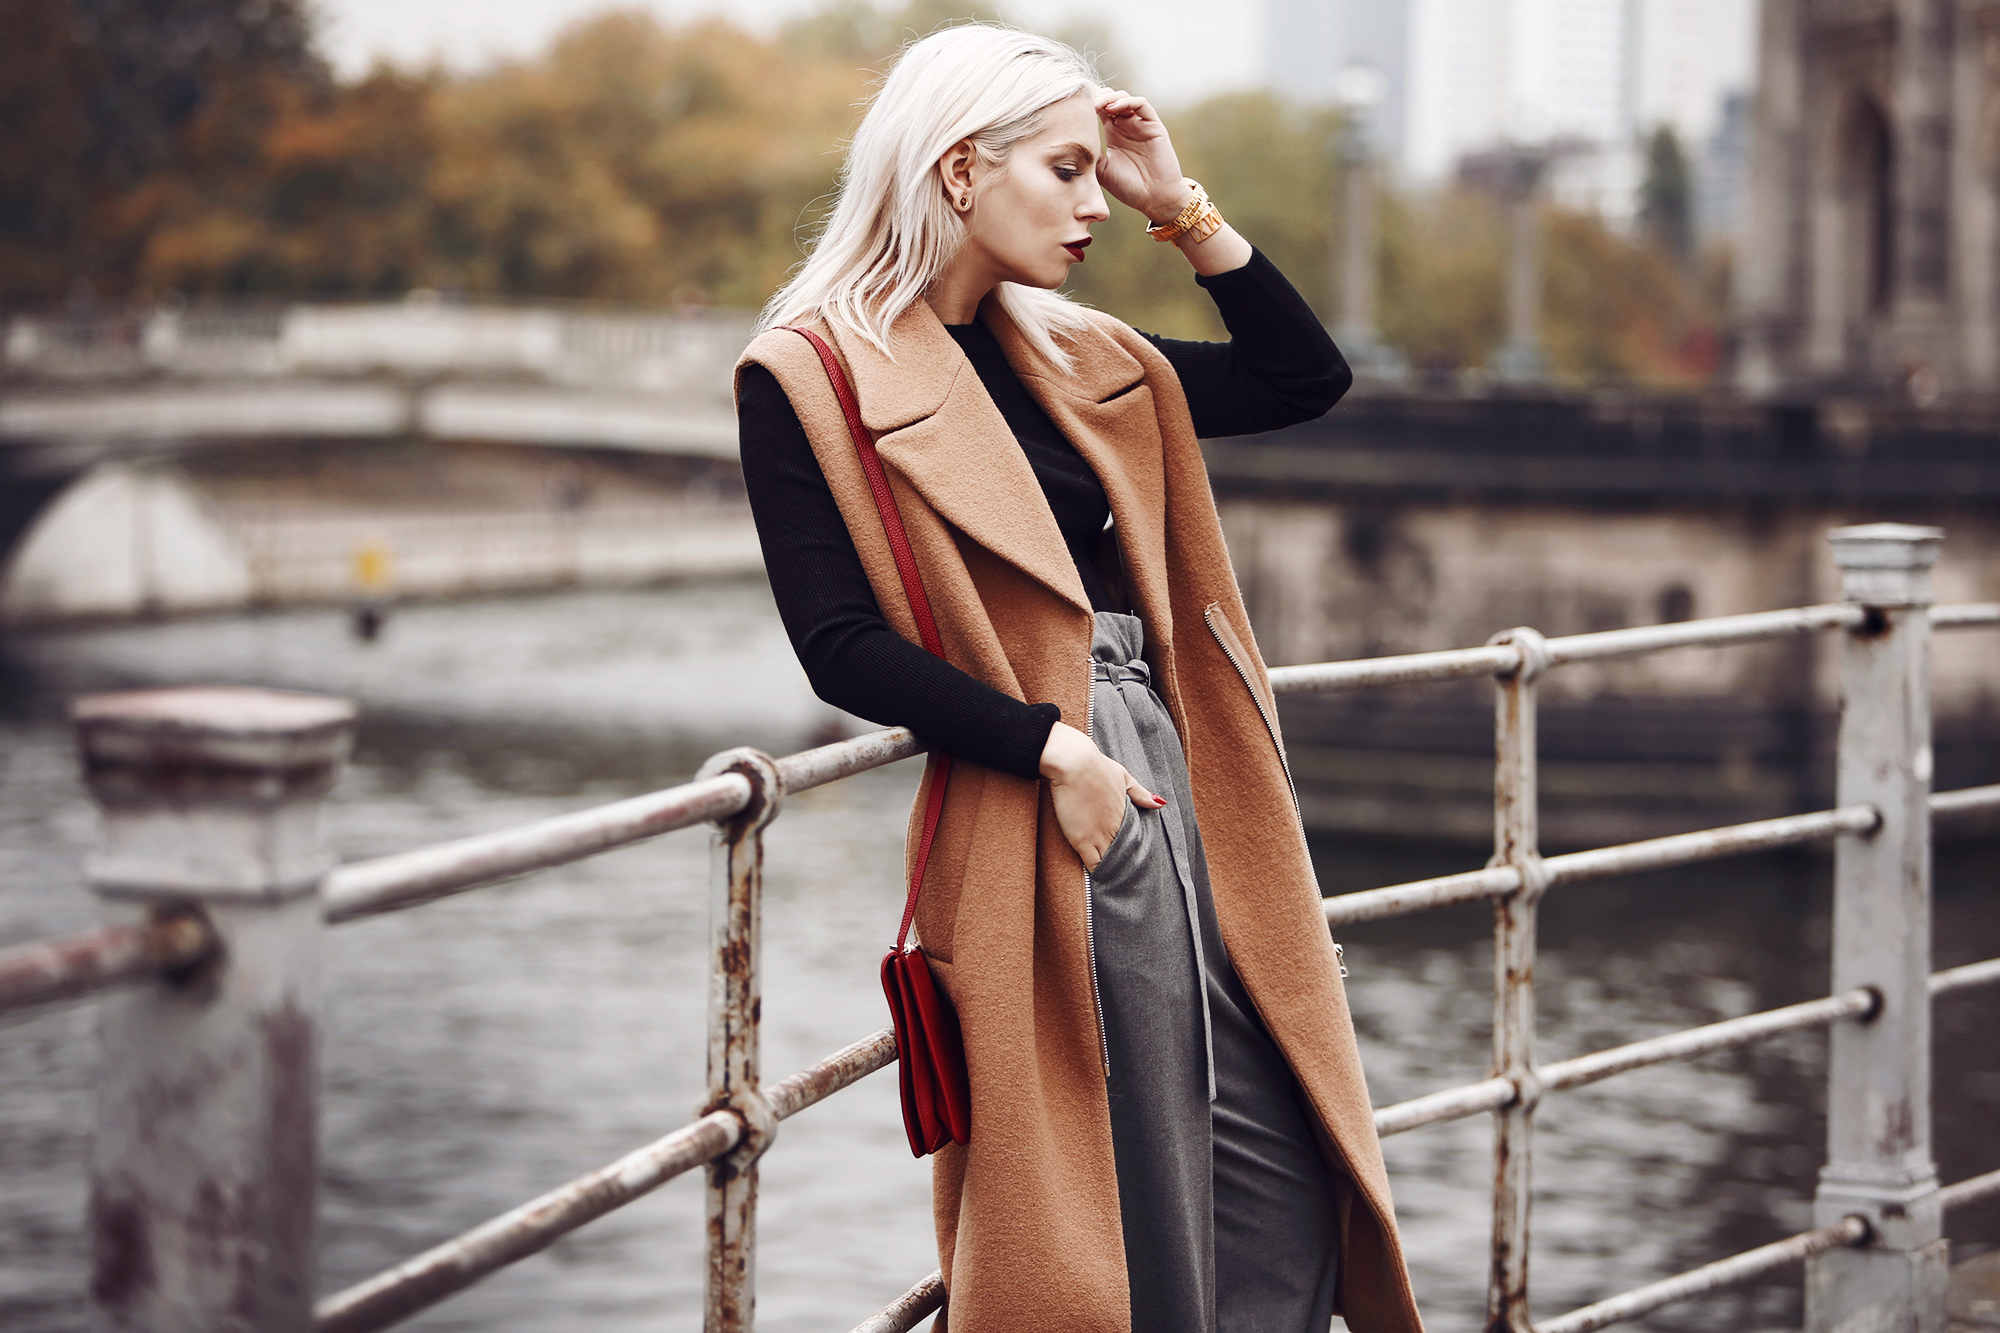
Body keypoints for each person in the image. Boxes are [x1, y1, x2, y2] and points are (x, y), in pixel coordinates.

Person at [735, 23, 1423, 1333]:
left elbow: (1303, 377)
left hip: (1184, 765)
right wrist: (1047, 746)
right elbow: (839, 644)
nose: (1093, 202)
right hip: (1045, 786)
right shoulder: (809, 374)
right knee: (1121, 1184)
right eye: (1065, 171)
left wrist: (1185, 205)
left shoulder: (1079, 352)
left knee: (1279, 1161)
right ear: (956, 173)